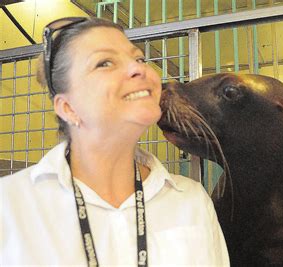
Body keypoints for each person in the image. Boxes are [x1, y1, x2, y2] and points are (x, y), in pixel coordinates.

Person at [0, 17, 229, 266]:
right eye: (104, 63)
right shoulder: (10, 204)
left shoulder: (191, 200)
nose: (139, 69)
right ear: (68, 108)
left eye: (139, 58)